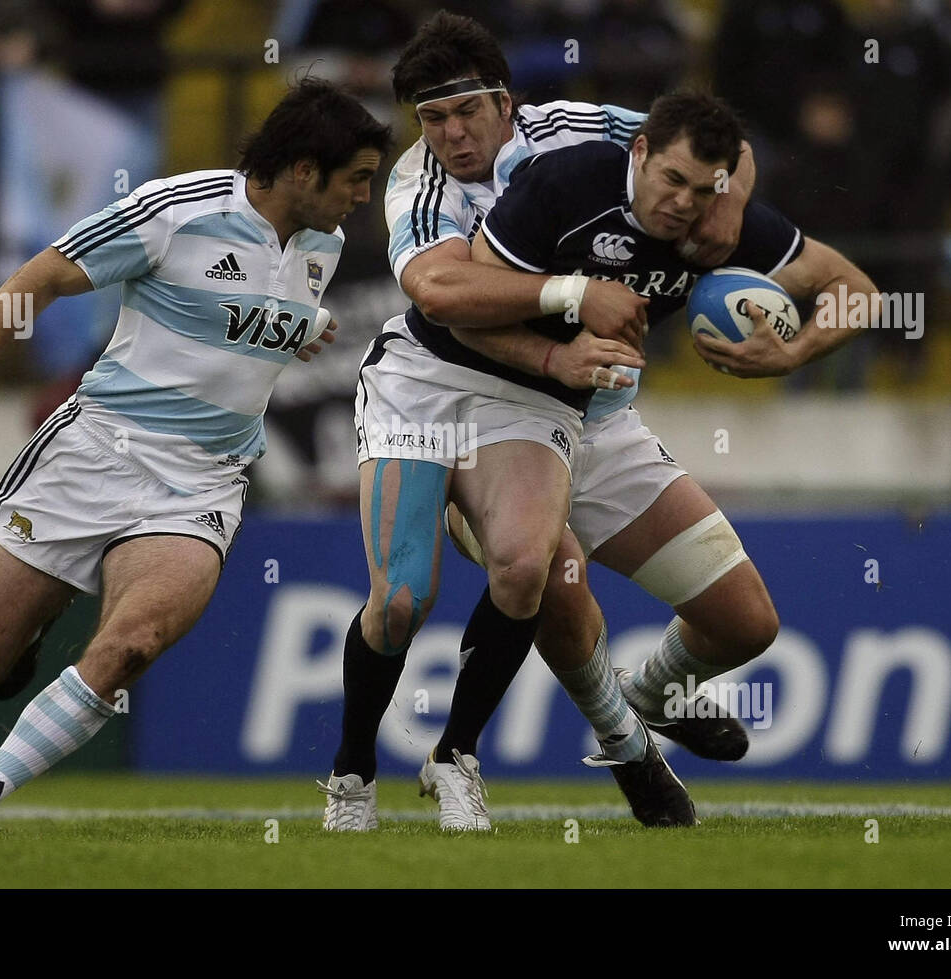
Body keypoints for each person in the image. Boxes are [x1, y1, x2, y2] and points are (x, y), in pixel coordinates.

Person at [0, 79, 391, 834]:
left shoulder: (327, 241)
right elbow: (40, 275)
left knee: (132, 645)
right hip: (94, 453)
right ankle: (33, 620)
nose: (364, 195)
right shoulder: (177, 211)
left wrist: (299, 325)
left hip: (203, 481)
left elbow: (256, 308)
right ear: (306, 171)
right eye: (357, 177)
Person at [319, 12, 755, 832]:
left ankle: (605, 710)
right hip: (456, 385)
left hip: (582, 407)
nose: (449, 134)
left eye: (465, 113)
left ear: (507, 102)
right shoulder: (416, 185)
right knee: (451, 587)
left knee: (742, 620)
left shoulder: (579, 129)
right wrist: (570, 299)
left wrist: (731, 203)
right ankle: (371, 770)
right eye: (431, 119)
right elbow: (443, 299)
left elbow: (707, 140)